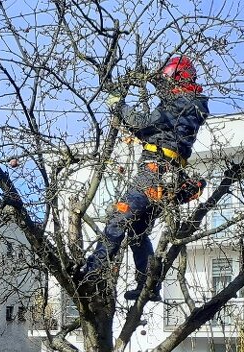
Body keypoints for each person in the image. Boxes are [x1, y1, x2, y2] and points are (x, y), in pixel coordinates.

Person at [81, 55, 210, 301]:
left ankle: (94, 271)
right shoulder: (190, 105)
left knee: (118, 219)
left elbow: (143, 124)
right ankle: (148, 286)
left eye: (165, 80)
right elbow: (160, 124)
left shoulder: (180, 103)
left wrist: (117, 103)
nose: (162, 86)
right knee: (138, 231)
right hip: (167, 177)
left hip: (154, 173)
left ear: (176, 79)